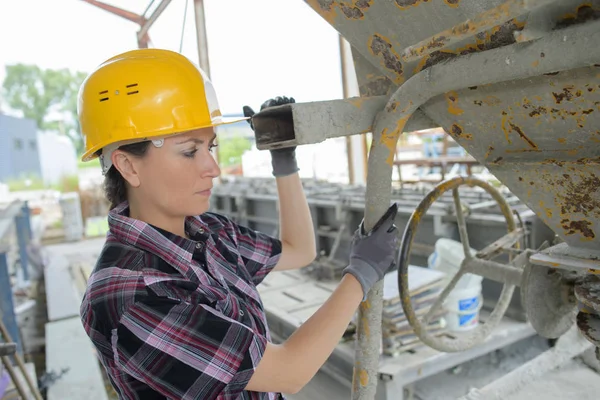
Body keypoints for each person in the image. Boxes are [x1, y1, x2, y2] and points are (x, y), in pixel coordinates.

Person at [78, 48, 399, 400]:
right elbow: (288, 372)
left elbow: (300, 250)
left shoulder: (208, 233)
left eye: (209, 147)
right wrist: (361, 275)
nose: (213, 168)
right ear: (128, 166)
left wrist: (283, 159)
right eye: (190, 151)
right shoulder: (129, 297)